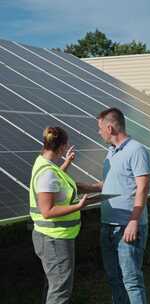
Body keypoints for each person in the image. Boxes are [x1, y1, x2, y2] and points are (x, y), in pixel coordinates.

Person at [29, 126, 90, 304]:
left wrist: (67, 162)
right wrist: (79, 205)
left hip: (50, 238)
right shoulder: (47, 172)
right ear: (62, 147)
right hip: (54, 239)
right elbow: (47, 211)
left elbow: (55, 182)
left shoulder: (44, 164)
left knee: (53, 285)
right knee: (60, 290)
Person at [97, 108, 150, 304]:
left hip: (127, 226)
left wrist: (134, 221)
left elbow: (143, 187)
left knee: (131, 280)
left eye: (100, 127)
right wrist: (76, 186)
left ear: (110, 127)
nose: (99, 132)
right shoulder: (110, 152)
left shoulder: (136, 150)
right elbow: (109, 183)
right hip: (108, 226)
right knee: (114, 279)